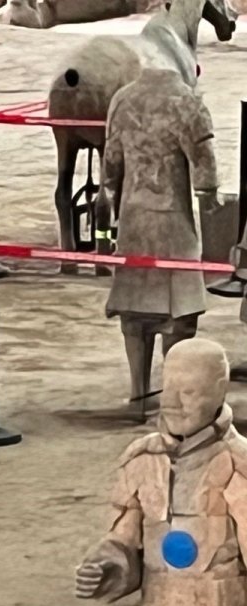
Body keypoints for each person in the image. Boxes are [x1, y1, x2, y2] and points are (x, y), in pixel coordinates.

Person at [75, 337, 247, 606]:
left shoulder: (238, 465)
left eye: (188, 392)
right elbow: (124, 539)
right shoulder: (142, 458)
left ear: (219, 390)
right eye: (166, 389)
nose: (171, 404)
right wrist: (106, 567)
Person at [101, 68, 218, 410]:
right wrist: (209, 202)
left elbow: (110, 166)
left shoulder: (122, 99)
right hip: (173, 224)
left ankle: (138, 392)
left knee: (135, 313)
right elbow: (205, 168)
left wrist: (109, 212)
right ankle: (169, 396)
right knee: (178, 315)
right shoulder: (187, 102)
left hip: (133, 219)